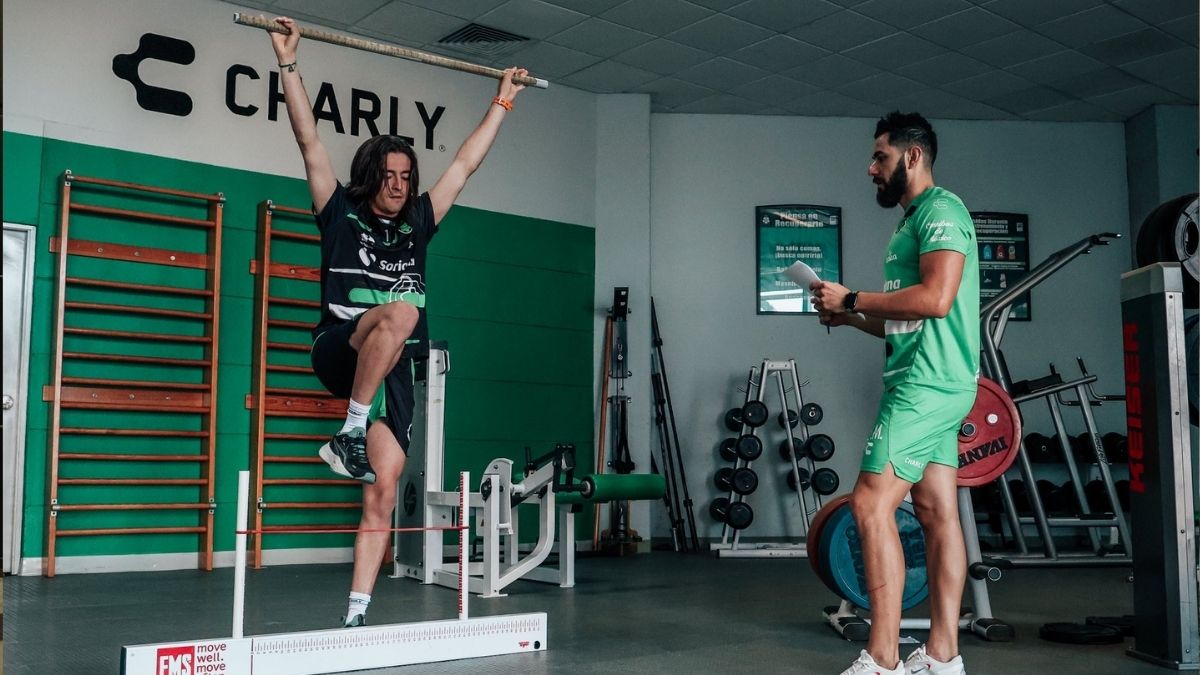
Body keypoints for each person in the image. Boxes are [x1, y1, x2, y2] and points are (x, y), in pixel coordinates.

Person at [268, 16, 528, 627]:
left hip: (393, 374)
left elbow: (464, 165)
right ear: (370, 177)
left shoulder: (418, 223)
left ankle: (356, 614)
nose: (398, 185)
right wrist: (287, 62)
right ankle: (349, 431)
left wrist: (502, 102)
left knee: (382, 490)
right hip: (341, 349)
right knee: (403, 312)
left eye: (406, 178)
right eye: (388, 177)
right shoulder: (337, 211)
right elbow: (308, 140)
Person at [811, 111, 979, 675]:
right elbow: (905, 320)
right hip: (933, 379)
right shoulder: (912, 222)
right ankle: (943, 655)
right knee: (935, 511)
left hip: (925, 384)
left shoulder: (941, 212)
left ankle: (883, 659)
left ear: (913, 156)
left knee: (870, 504)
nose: (871, 168)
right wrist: (850, 316)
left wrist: (852, 297)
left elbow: (936, 300)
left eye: (879, 157)